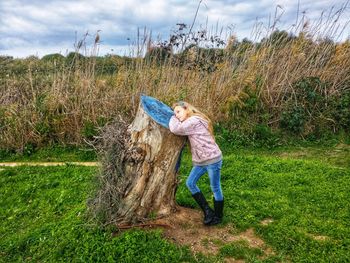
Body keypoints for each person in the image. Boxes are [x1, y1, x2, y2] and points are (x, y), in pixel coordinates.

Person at [169, 101, 224, 225]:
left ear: (187, 109)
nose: (176, 115)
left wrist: (170, 116)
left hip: (212, 159)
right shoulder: (190, 121)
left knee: (215, 187)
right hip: (200, 161)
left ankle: (218, 216)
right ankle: (207, 211)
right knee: (190, 183)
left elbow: (175, 128)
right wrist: (176, 116)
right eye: (175, 113)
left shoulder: (193, 120)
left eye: (178, 112)